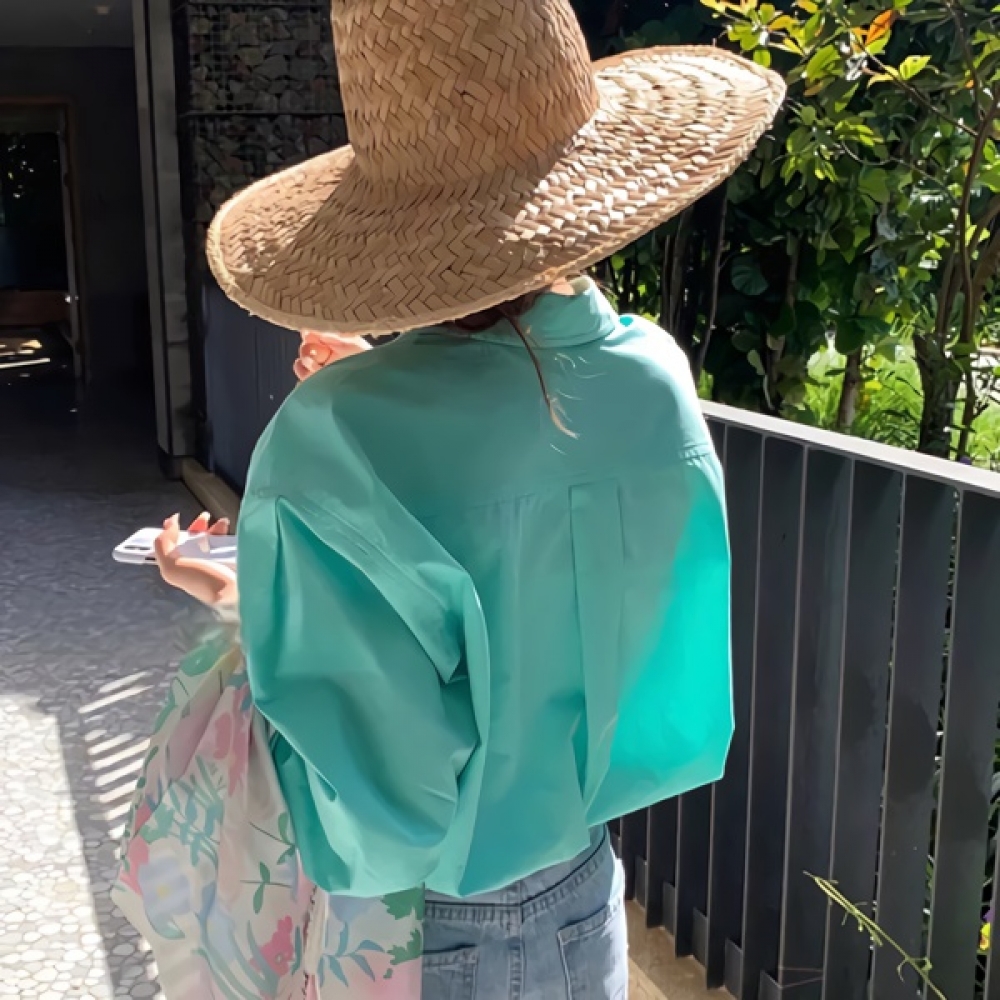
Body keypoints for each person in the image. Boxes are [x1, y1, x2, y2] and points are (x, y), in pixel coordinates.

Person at [156, 0, 784, 995]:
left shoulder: (334, 434)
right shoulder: (651, 377)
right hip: (583, 881)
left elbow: (377, 787)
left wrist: (245, 586)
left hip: (418, 924)